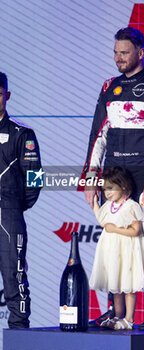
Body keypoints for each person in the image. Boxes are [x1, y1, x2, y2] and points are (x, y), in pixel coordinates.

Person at [84, 27, 144, 330]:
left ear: (141, 52)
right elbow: (98, 135)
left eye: (124, 53)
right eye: (115, 53)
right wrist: (90, 177)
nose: (118, 58)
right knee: (114, 240)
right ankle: (116, 311)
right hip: (114, 173)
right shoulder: (109, 86)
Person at [0, 72, 42, 328]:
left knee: (14, 277)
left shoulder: (22, 134)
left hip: (8, 214)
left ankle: (19, 334)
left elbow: (35, 180)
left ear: (7, 95)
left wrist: (14, 206)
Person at [89, 166, 144, 330]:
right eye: (104, 189)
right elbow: (103, 221)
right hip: (113, 252)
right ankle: (117, 316)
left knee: (128, 285)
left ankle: (129, 319)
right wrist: (95, 203)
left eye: (110, 188)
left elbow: (136, 230)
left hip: (127, 252)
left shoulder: (131, 206)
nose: (107, 193)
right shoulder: (109, 205)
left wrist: (115, 229)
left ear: (123, 186)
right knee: (116, 285)